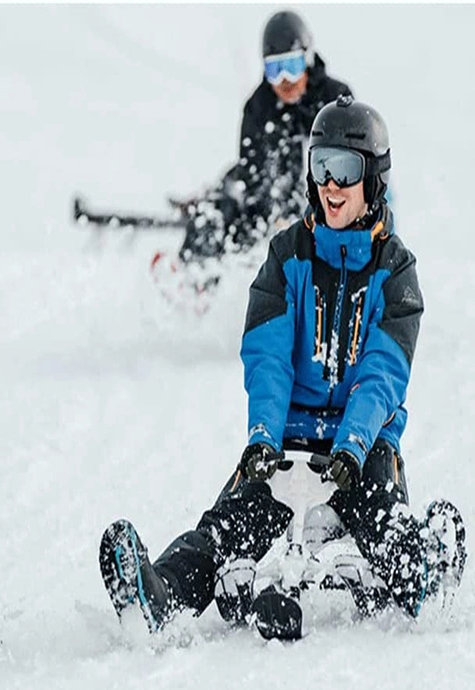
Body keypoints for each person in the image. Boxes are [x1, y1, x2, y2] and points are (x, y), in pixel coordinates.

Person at [100, 96, 465, 637]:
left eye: (345, 169)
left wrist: (354, 443)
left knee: (379, 520)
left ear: (374, 178)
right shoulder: (287, 254)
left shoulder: (396, 270)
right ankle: (161, 595)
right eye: (320, 166)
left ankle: (426, 573)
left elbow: (383, 372)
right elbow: (267, 357)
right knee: (230, 524)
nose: (330, 185)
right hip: (289, 440)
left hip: (358, 446)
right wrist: (265, 436)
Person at [175, 10, 353, 268]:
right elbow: (253, 174)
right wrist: (273, 217)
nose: (284, 81)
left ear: (308, 58)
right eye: (274, 69)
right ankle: (192, 272)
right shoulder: (259, 108)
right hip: (274, 208)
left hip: (326, 206)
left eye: (291, 67)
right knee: (222, 204)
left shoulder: (335, 100)